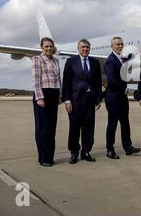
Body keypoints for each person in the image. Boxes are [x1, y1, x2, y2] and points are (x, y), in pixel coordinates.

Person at [62, 39, 102, 164]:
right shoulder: (71, 62)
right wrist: (67, 99)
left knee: (89, 128)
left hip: (90, 100)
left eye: (87, 47)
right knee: (74, 127)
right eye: (83, 47)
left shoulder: (94, 62)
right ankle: (74, 152)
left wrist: (98, 99)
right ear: (78, 48)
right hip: (75, 100)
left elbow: (98, 82)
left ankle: (86, 151)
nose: (85, 49)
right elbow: (66, 82)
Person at [104, 37, 141, 159]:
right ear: (112, 46)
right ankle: (110, 149)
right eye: (117, 44)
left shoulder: (120, 59)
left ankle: (128, 147)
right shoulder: (110, 61)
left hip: (122, 97)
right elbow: (111, 80)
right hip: (114, 97)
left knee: (125, 123)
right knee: (112, 125)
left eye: (121, 44)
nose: (120, 46)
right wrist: (124, 87)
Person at [31, 37, 61, 167]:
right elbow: (36, 80)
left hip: (54, 94)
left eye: (51, 46)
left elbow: (58, 80)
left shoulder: (55, 61)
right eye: (46, 46)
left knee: (51, 128)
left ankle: (49, 156)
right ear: (42, 47)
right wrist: (39, 97)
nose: (49, 48)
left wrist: (60, 96)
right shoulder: (37, 59)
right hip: (43, 94)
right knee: (43, 128)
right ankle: (43, 157)